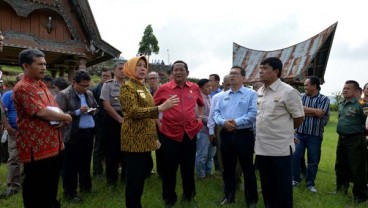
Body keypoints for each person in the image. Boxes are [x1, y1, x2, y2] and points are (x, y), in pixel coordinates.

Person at [13, 48, 72, 208]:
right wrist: (67, 117)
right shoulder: (23, 87)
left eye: (45, 64)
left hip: (54, 145)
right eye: (39, 64)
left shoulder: (42, 85)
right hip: (36, 148)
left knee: (50, 188)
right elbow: (41, 111)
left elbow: (53, 108)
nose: (44, 67)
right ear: (25, 66)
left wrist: (60, 118)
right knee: (36, 190)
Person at [120, 56, 178, 208]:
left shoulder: (143, 87)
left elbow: (150, 117)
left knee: (140, 178)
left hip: (145, 140)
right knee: (134, 180)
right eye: (138, 65)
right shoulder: (127, 86)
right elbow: (132, 112)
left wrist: (154, 137)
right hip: (133, 139)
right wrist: (160, 108)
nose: (142, 68)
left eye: (144, 66)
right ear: (131, 68)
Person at [255, 57, 304, 208]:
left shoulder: (288, 91)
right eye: (260, 68)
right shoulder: (260, 91)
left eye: (265, 68)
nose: (261, 71)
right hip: (262, 147)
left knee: (282, 187)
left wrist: (286, 131)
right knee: (267, 185)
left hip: (280, 148)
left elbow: (299, 117)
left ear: (276, 71)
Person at [154, 60, 204, 207]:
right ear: (171, 72)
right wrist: (159, 124)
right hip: (169, 135)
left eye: (181, 69)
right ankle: (169, 199)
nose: (178, 72)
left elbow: (201, 104)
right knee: (169, 169)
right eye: (175, 70)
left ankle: (189, 197)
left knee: (188, 168)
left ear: (187, 72)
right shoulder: (163, 88)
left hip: (189, 134)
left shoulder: (194, 88)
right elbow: (153, 107)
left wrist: (200, 118)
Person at [213, 66, 258, 207]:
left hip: (244, 135)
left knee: (247, 168)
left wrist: (235, 122)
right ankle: (229, 196)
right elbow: (216, 113)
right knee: (227, 168)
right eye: (230, 74)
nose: (232, 76)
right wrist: (223, 122)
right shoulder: (223, 96)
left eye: (235, 74)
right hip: (226, 134)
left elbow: (252, 114)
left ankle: (251, 200)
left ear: (243, 77)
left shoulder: (251, 94)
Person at [56, 70, 98, 202]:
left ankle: (86, 187)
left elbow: (95, 106)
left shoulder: (89, 93)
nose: (85, 88)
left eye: (87, 85)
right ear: (74, 82)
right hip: (72, 134)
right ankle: (70, 193)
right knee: (70, 166)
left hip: (88, 133)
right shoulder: (64, 95)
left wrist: (93, 110)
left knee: (85, 163)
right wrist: (78, 112)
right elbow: (59, 114)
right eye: (83, 85)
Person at [292, 76, 330, 193]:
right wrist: (314, 111)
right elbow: (297, 110)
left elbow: (321, 114)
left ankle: (310, 184)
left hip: (315, 135)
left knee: (313, 160)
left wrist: (305, 111)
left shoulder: (324, 99)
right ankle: (295, 180)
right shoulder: (301, 97)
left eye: (306, 85)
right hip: (299, 133)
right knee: (295, 157)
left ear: (314, 86)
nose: (305, 87)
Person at [334, 80, 367, 203]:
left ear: (356, 91)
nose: (344, 90)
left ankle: (360, 196)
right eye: (344, 88)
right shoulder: (342, 103)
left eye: (348, 88)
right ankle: (341, 189)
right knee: (340, 166)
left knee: (357, 168)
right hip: (342, 139)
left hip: (356, 140)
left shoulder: (361, 104)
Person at [100, 62, 126, 189]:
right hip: (112, 120)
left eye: (125, 69)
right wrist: (119, 119)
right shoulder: (108, 85)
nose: (123, 71)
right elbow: (106, 105)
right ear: (114, 71)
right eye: (120, 69)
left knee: (127, 151)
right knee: (112, 152)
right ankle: (112, 182)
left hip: (128, 120)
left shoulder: (130, 85)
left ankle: (126, 178)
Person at [0, 73, 24, 199]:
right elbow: (2, 112)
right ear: (17, 83)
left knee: (28, 158)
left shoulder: (30, 93)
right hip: (14, 131)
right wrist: (8, 127)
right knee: (14, 157)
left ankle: (24, 181)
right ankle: (13, 186)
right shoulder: (9, 95)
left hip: (29, 132)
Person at [91, 68, 113, 178]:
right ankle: (97, 172)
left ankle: (112, 169)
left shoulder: (115, 88)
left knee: (111, 147)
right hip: (99, 123)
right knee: (98, 148)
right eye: (104, 76)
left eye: (108, 76)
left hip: (112, 122)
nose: (105, 78)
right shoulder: (94, 90)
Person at [208, 74, 231, 173]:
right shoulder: (217, 97)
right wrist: (211, 131)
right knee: (221, 151)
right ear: (223, 84)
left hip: (238, 126)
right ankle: (224, 175)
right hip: (220, 127)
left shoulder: (245, 95)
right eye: (227, 85)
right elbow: (212, 115)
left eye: (232, 85)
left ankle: (237, 178)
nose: (230, 87)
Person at [195, 78, 216, 179]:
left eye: (211, 86)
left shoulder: (210, 98)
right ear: (201, 88)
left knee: (211, 154)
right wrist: (212, 120)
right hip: (203, 131)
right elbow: (198, 115)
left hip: (212, 131)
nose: (210, 88)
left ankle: (209, 172)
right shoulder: (198, 99)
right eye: (208, 86)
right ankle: (201, 175)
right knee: (202, 154)